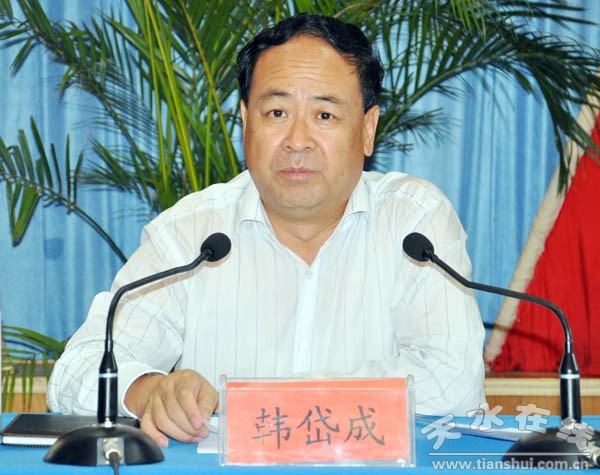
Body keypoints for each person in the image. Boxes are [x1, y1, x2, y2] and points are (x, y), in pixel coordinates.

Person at [47, 13, 486, 448]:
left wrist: (277, 404)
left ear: (367, 129)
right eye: (277, 112)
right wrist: (150, 391)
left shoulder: (413, 222)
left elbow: (453, 385)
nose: (297, 140)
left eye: (325, 115)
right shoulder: (193, 232)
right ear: (246, 122)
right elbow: (77, 371)